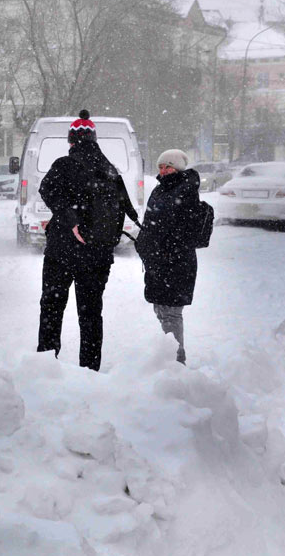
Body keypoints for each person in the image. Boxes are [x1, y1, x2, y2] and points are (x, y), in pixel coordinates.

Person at [37, 110, 139, 370]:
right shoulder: (109, 169)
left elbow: (46, 190)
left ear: (71, 141)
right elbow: (126, 206)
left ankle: (45, 366)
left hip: (62, 253)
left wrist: (70, 219)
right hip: (97, 255)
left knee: (52, 307)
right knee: (91, 314)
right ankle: (90, 370)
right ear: (94, 140)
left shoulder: (63, 165)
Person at [135, 149, 202, 364]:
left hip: (176, 262)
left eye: (168, 167)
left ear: (178, 168)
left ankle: (176, 360)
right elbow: (151, 223)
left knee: (172, 312)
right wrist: (144, 243)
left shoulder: (186, 190)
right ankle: (169, 355)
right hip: (158, 261)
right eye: (161, 167)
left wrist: (161, 247)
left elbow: (178, 229)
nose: (163, 171)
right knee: (161, 309)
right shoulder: (160, 190)